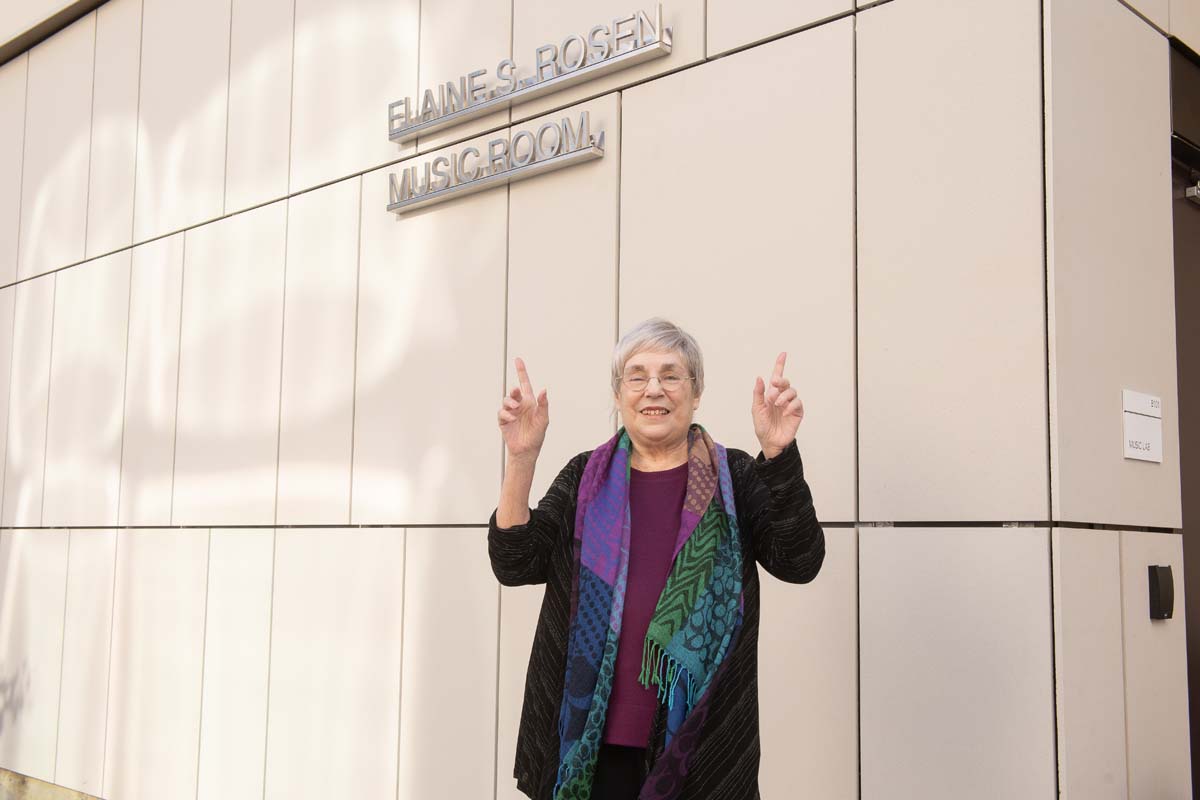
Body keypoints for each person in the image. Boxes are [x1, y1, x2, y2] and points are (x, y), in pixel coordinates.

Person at [489, 317, 825, 800]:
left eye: (671, 375)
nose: (654, 389)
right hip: (587, 747)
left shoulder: (734, 477)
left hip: (699, 747)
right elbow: (515, 562)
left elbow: (800, 561)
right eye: (637, 375)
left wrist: (778, 453)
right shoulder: (586, 477)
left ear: (696, 392)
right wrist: (521, 459)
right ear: (619, 393)